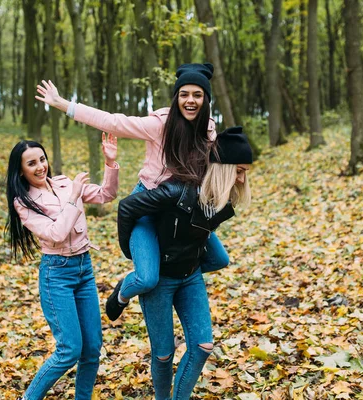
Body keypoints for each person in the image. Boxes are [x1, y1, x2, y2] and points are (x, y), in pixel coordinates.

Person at [35, 63, 230, 322]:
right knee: (147, 277)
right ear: (176, 98)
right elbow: (113, 122)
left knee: (219, 259)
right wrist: (62, 103)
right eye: (184, 94)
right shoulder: (159, 125)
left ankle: (171, 279)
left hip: (182, 210)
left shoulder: (208, 132)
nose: (190, 101)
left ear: (206, 99)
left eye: (197, 95)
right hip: (148, 206)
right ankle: (124, 293)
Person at [116, 127, 253, 400]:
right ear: (223, 169)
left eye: (244, 171)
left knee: (202, 346)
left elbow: (201, 231)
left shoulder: (221, 200)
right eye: (238, 170)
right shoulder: (175, 191)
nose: (242, 178)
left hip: (189, 275)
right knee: (164, 355)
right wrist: (134, 256)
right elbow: (127, 206)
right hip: (160, 279)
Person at [5, 134, 119, 400]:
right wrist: (74, 197)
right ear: (21, 171)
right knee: (70, 349)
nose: (40, 167)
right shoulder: (24, 202)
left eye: (42, 159)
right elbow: (56, 233)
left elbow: (107, 194)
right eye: (31, 163)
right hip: (56, 274)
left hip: (84, 269)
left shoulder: (65, 183)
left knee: (92, 348)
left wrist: (110, 162)